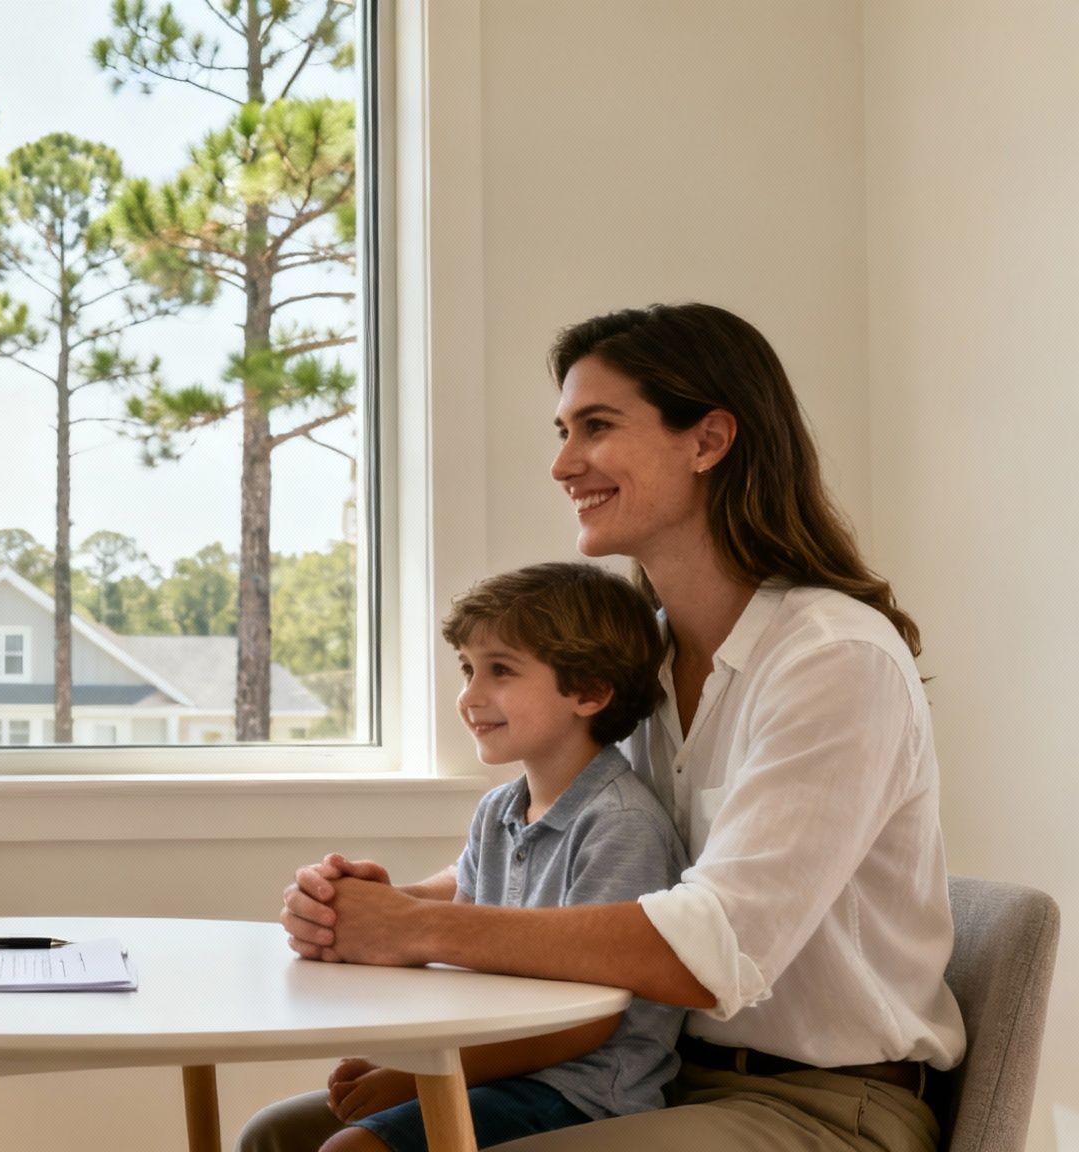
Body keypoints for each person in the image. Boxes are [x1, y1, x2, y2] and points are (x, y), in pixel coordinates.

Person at [275, 303, 965, 1152]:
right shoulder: (645, 662)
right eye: (563, 430)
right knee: (284, 1135)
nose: (563, 464)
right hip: (663, 1080)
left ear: (708, 441)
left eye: (596, 427)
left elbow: (707, 946)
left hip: (825, 1105)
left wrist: (416, 931)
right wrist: (382, 902)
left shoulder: (834, 659)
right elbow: (588, 852)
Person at [244, 562, 686, 1152]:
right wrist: (362, 915)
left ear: (590, 691)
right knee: (270, 1134)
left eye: (500, 671)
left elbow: (588, 1026)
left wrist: (412, 1077)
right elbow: (465, 966)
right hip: (496, 1071)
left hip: (580, 1091)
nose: (470, 697)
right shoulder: (498, 812)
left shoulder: (622, 827)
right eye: (468, 669)